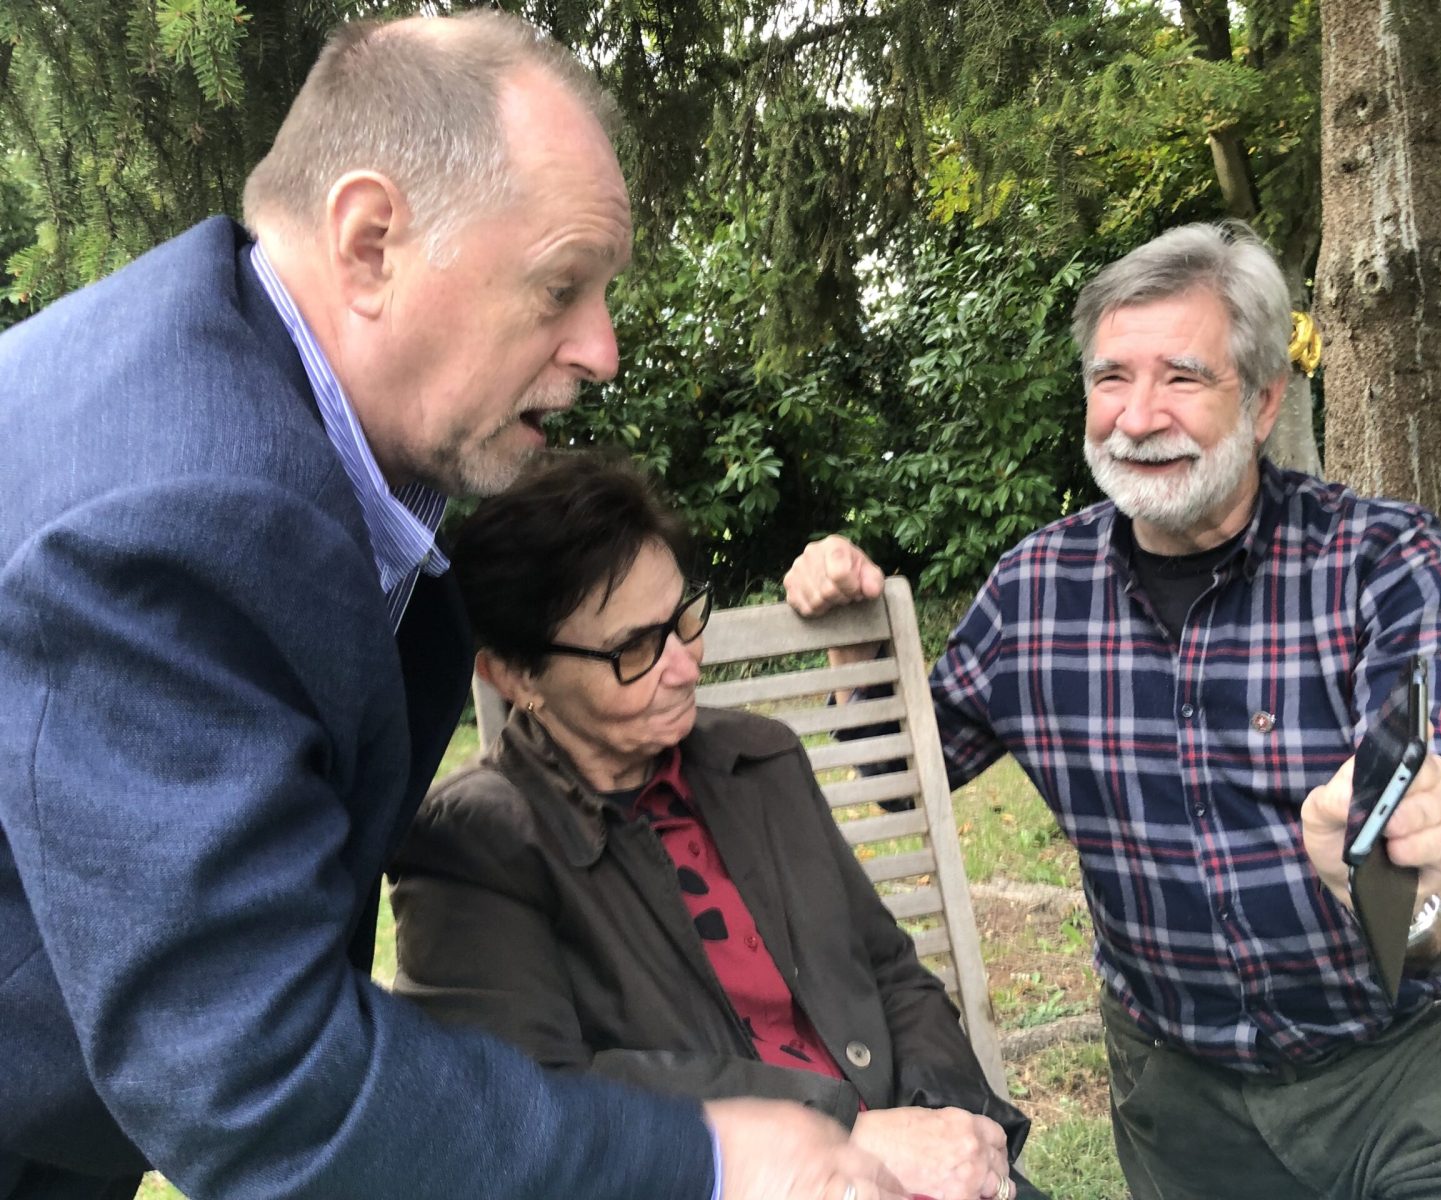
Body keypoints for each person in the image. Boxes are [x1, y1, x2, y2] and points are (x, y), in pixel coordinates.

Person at [0, 12, 898, 1200]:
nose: (602, 349)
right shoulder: (183, 511)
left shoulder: (246, 397)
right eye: (561, 286)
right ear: (370, 242)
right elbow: (260, 1082)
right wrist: (710, 1158)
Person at [784, 221, 1441, 1198]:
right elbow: (895, 778)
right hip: (1181, 1087)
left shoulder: (1385, 564)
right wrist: (853, 638)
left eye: (1182, 377)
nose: (1137, 417)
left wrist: (1398, 887)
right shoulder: (1034, 593)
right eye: (1110, 378)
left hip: (1409, 1058)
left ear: (1262, 402)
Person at [387, 451, 1044, 1200]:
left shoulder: (761, 759)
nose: (686, 665)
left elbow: (889, 969)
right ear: (513, 675)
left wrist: (945, 1129)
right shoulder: (475, 846)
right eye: (635, 649)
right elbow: (530, 1103)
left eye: (684, 619)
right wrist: (847, 1136)